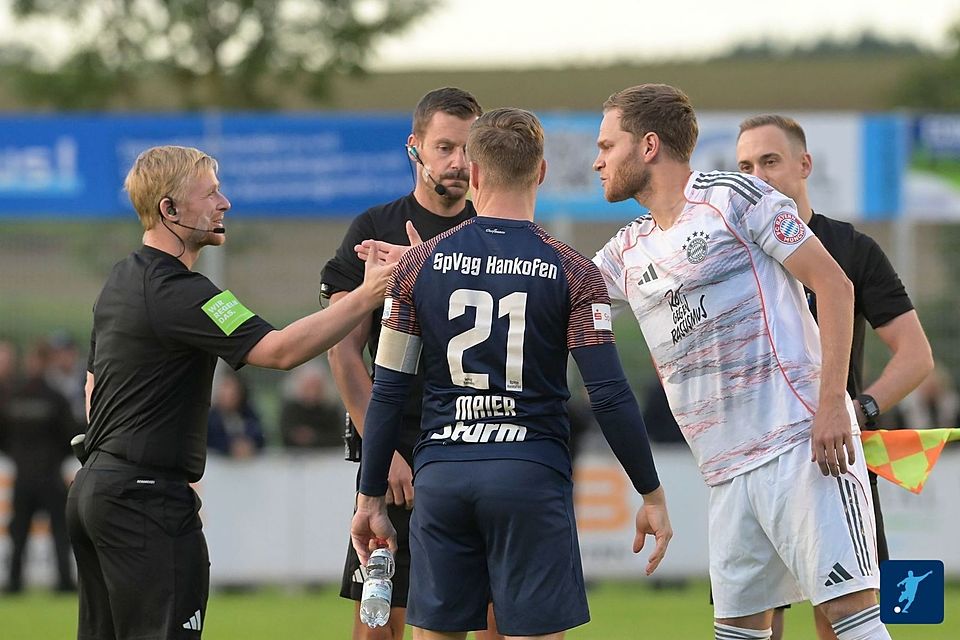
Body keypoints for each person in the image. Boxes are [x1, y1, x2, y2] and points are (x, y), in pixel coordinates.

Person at [351, 107, 672, 640]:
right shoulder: (574, 270)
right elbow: (610, 395)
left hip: (443, 475)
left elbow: (387, 392)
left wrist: (369, 499)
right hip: (530, 473)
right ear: (541, 172)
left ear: (474, 173)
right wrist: (651, 493)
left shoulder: (417, 265)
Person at [591, 84, 891, 640]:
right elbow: (548, 285)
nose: (597, 160)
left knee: (853, 624)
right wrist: (427, 262)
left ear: (649, 146)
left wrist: (832, 407)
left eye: (608, 145)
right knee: (741, 634)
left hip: (799, 445)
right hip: (725, 471)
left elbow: (835, 285)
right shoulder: (627, 249)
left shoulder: (734, 197)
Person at [65, 145, 394, 640]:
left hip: (97, 491)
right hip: (142, 502)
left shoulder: (122, 279)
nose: (226, 203)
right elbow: (280, 351)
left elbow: (94, 388)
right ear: (169, 210)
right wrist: (367, 297)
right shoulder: (184, 293)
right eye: (211, 192)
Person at [736, 114, 934, 640]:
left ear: (805, 165)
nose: (759, 176)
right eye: (746, 166)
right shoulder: (731, 256)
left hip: (831, 456)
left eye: (770, 161)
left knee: (845, 621)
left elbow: (915, 356)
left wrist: (856, 411)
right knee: (756, 625)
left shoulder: (851, 249)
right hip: (752, 462)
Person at [320, 87, 488, 640]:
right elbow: (343, 350)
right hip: (399, 451)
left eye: (469, 149)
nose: (458, 163)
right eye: (445, 147)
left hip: (480, 442)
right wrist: (381, 447)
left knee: (489, 620)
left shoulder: (494, 234)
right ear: (414, 147)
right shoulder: (374, 228)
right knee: (379, 625)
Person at [0, 340, 79, 594]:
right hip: (50, 475)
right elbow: (72, 435)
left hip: (23, 476)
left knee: (19, 532)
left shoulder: (13, 398)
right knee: (59, 530)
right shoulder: (56, 398)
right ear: (48, 364)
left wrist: (17, 456)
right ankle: (64, 582)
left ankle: (14, 582)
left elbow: (3, 436)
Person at [278, 363, 344, 450]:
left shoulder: (329, 408)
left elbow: (338, 437)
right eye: (308, 387)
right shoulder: (291, 410)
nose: (312, 392)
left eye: (316, 387)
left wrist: (314, 438)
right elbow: (285, 434)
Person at [206, 371, 265, 458]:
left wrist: (249, 443)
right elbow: (210, 440)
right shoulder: (211, 417)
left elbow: (259, 435)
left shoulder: (247, 413)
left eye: (233, 392)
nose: (228, 395)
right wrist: (230, 446)